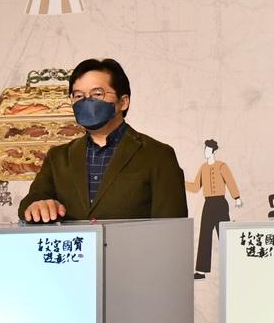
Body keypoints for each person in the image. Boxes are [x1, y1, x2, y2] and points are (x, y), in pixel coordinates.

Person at [20, 58, 186, 223]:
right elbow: (33, 199)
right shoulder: (58, 157)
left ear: (123, 102)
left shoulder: (157, 155)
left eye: (97, 94)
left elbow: (172, 229)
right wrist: (37, 205)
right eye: (78, 96)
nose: (86, 101)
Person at [187, 139, 243, 279]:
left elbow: (230, 181)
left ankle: (234, 268)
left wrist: (237, 197)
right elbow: (195, 187)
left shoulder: (222, 166)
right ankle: (201, 271)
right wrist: (179, 182)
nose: (205, 152)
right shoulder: (203, 168)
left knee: (224, 235)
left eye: (207, 149)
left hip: (220, 204)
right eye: (205, 149)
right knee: (205, 235)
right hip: (208, 204)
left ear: (213, 151)